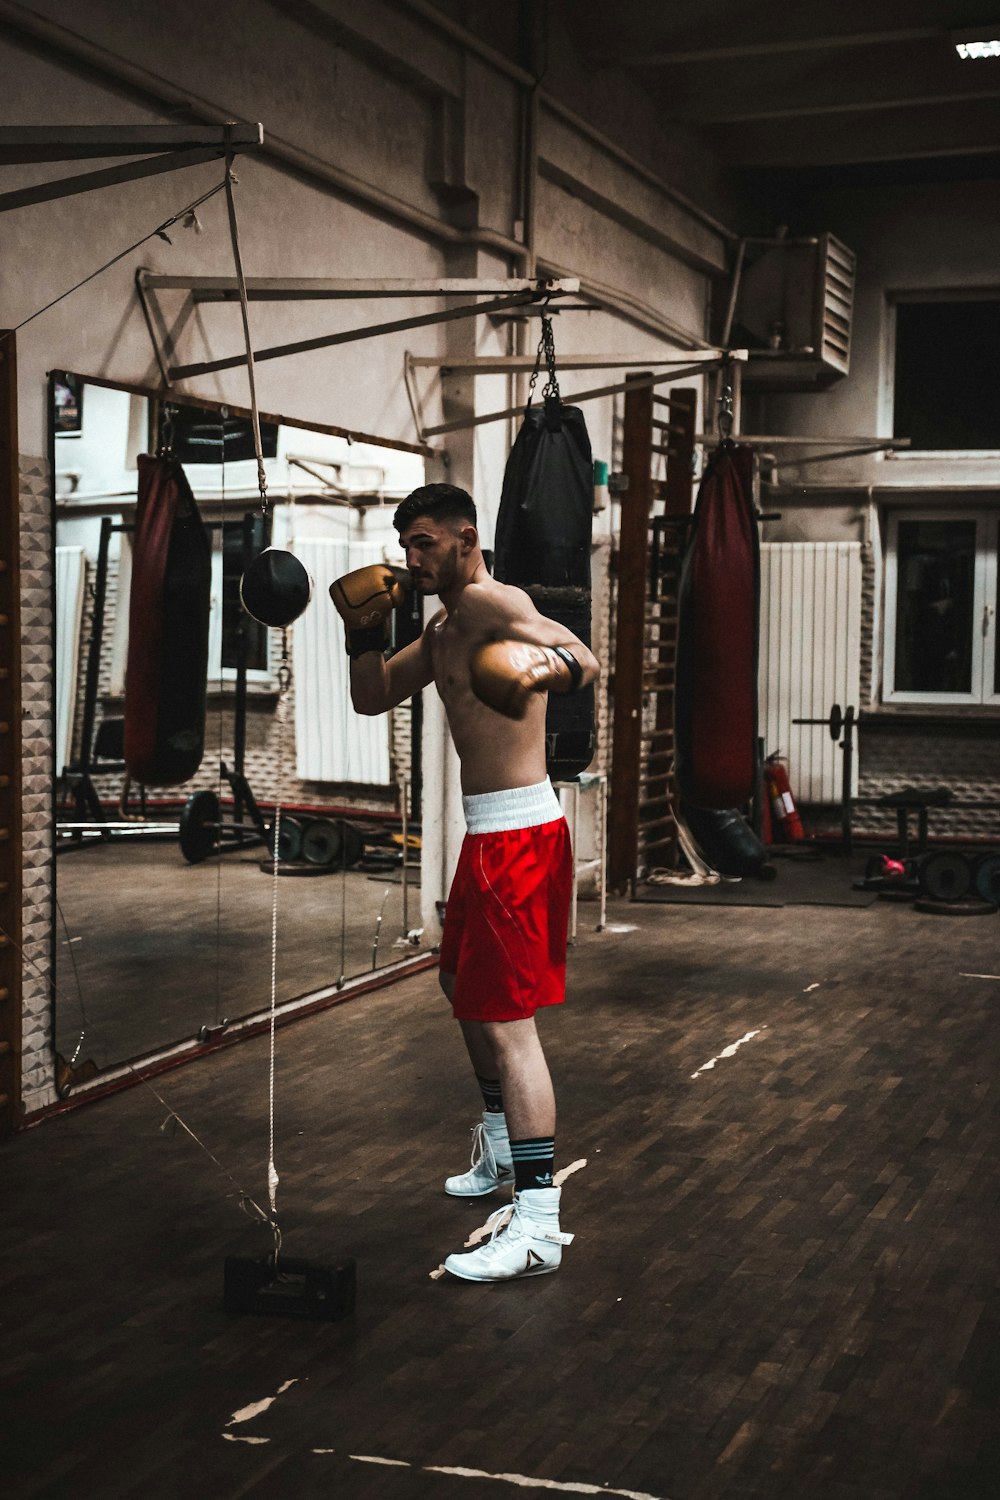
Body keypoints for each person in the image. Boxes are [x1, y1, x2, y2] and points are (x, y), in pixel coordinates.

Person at [329, 482, 599, 1281]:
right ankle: (496, 1145)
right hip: (490, 835)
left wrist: (519, 668)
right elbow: (373, 696)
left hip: (518, 830)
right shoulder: (445, 626)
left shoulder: (489, 603)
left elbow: (583, 662)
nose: (411, 558)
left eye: (423, 543)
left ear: (463, 537)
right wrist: (360, 635)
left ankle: (540, 1224)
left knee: (509, 1024)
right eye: (405, 544)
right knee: (458, 983)